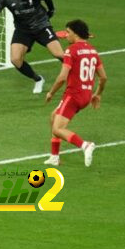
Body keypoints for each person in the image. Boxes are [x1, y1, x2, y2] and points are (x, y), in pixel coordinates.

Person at [44, 20, 107, 167]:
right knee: (54, 116)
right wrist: (97, 94)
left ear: (76, 34)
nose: (66, 35)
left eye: (68, 32)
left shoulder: (71, 50)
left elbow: (62, 78)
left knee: (57, 129)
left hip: (73, 96)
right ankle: (54, 157)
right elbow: (103, 77)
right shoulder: (93, 51)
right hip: (85, 96)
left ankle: (85, 145)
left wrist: (51, 93)